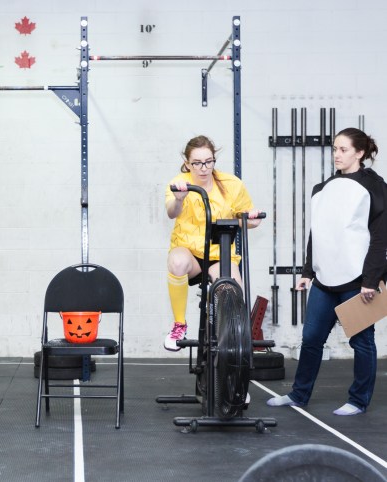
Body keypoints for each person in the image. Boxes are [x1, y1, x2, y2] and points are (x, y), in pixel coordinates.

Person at [267, 128, 387, 416]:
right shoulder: (325, 188)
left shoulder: (375, 187)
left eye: (343, 149)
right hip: (324, 280)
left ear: (359, 153)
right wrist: (307, 271)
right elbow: (318, 232)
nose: (336, 154)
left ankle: (358, 401)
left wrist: (371, 280)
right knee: (311, 340)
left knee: (362, 342)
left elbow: (380, 237)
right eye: (334, 149)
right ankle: (299, 394)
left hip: (357, 281)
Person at [164, 135, 262, 351]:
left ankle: (229, 337)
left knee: (233, 292)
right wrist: (179, 198)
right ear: (187, 163)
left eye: (208, 162)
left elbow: (247, 218)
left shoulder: (231, 184)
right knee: (177, 262)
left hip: (220, 255)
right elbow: (172, 212)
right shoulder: (179, 184)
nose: (203, 168)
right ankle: (179, 324)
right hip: (191, 255)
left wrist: (251, 219)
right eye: (197, 163)